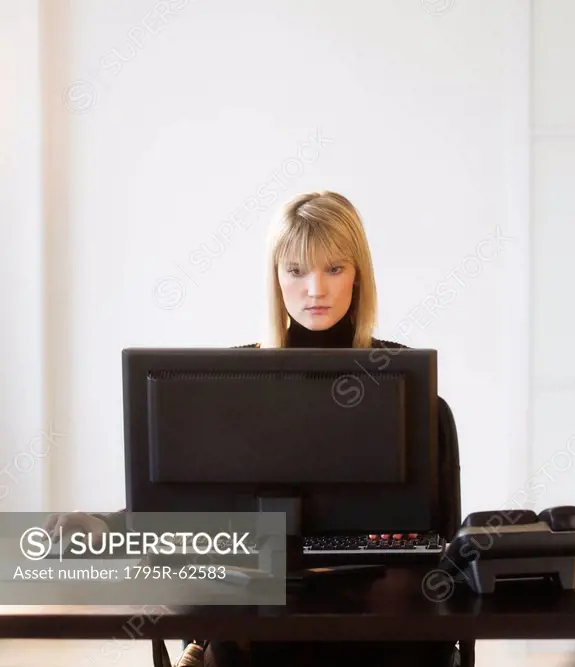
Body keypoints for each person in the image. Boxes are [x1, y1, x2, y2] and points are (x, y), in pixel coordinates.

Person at [45, 191, 463, 667]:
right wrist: (106, 524)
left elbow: (441, 544)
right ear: (275, 277)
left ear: (359, 275)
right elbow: (188, 504)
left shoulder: (404, 384)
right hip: (257, 612)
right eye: (296, 270)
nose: (315, 290)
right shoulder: (232, 383)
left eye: (334, 268)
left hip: (374, 610)